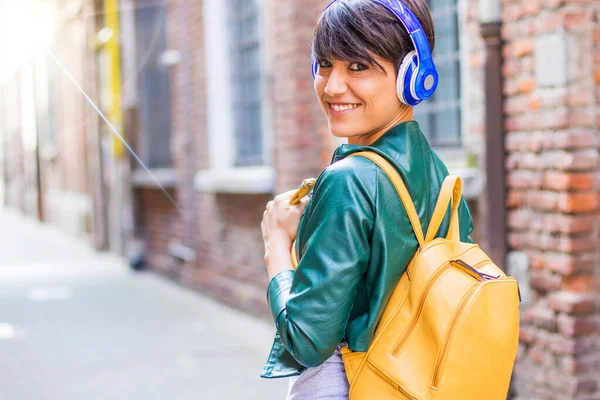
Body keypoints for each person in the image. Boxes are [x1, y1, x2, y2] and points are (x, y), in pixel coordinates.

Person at [260, 0, 474, 398]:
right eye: (324, 63)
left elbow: (307, 340)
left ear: (413, 76)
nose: (332, 85)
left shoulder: (348, 182)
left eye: (357, 66)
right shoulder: (440, 175)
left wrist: (276, 242)